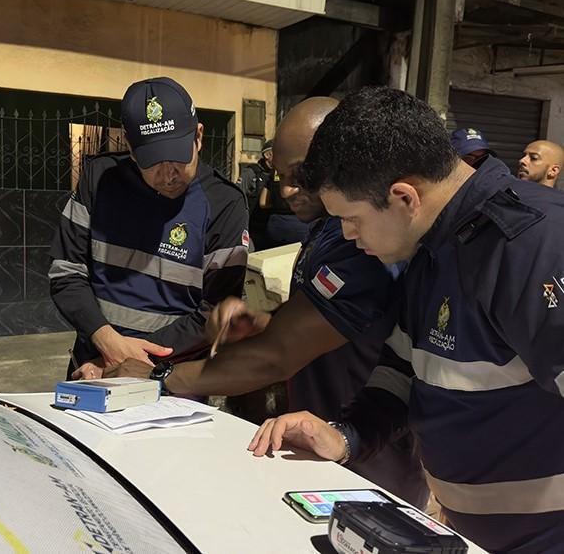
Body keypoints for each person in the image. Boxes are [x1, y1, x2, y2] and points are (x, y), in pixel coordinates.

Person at [252, 86, 564, 551]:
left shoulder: (531, 249)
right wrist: (345, 437)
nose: (348, 236)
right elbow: (405, 370)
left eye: (351, 218)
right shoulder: (433, 246)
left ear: (403, 197)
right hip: (467, 534)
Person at [102, 97, 428, 508]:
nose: (286, 189)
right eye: (280, 175)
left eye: (301, 175)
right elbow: (315, 323)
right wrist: (263, 322)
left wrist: (159, 378)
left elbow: (276, 357)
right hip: (315, 444)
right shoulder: (329, 231)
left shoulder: (365, 242)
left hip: (370, 463)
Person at [49, 76, 249, 379]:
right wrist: (104, 339)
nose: (168, 175)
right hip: (90, 367)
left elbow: (214, 312)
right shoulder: (99, 181)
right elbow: (66, 273)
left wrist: (123, 361)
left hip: (172, 376)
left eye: (179, 158)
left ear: (198, 136)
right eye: (152, 162)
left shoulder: (224, 204)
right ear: (129, 145)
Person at [258, 140, 312, 247]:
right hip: (299, 225)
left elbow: (263, 203)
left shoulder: (275, 171)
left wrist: (278, 204)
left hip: (275, 224)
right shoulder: (304, 168)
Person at [238, 139, 274, 250]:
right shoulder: (251, 173)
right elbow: (238, 196)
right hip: (253, 229)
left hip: (270, 228)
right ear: (267, 155)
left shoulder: (278, 173)